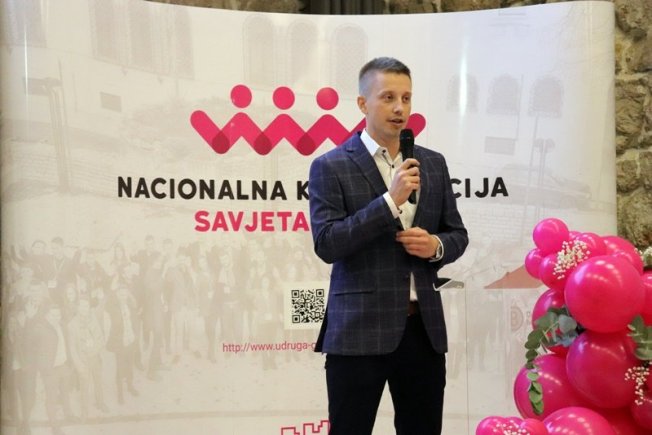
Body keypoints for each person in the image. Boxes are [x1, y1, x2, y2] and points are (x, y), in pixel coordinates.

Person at [308, 57, 468, 435]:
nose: (400, 108)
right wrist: (389, 203)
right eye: (388, 97)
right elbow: (327, 243)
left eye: (406, 98)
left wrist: (435, 246)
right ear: (363, 104)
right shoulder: (331, 166)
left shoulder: (432, 163)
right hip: (358, 331)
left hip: (423, 331)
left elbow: (457, 234)